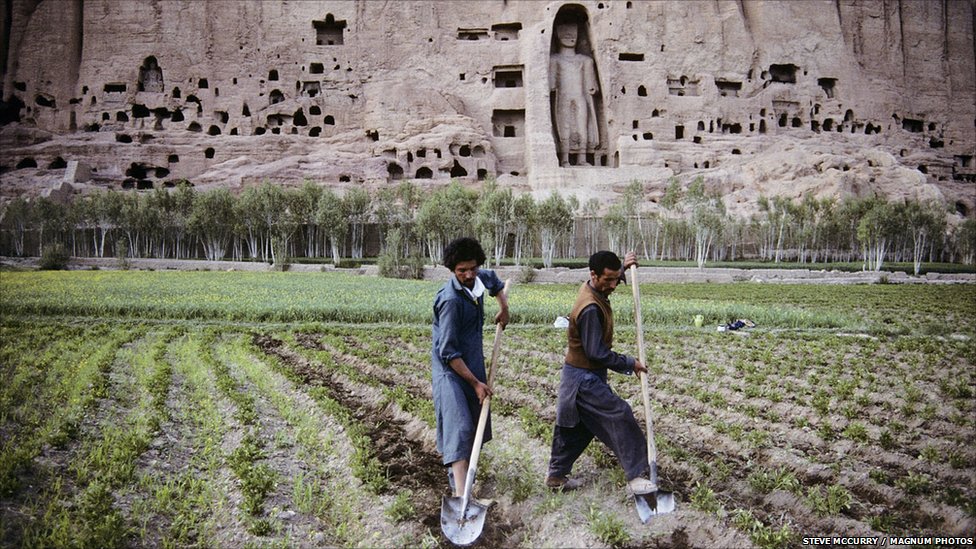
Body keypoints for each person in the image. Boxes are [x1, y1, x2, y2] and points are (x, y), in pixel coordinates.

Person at [545, 250, 658, 495]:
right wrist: (630, 363)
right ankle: (637, 476)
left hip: (580, 375)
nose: (613, 285)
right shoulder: (590, 309)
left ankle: (556, 475)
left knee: (578, 426)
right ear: (593, 275)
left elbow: (610, 273)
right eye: (607, 280)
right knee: (619, 414)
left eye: (615, 279)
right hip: (583, 379)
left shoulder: (595, 287)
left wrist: (624, 269)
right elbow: (596, 352)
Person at [432, 237, 509, 496]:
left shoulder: (478, 278)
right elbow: (448, 352)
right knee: (460, 426)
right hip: (450, 369)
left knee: (476, 422)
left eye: (472, 268)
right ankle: (461, 493)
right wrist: (475, 383)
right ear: (453, 270)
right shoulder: (451, 301)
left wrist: (504, 307)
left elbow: (495, 282)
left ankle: (460, 474)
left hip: (471, 360)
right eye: (461, 270)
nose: (468, 274)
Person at [549, 21, 600, 167]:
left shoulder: (586, 60)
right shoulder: (554, 60)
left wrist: (592, 88)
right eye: (566, 35)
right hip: (563, 97)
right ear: (558, 37)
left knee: (582, 125)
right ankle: (564, 158)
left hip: (580, 97)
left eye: (573, 35)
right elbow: (551, 83)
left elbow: (591, 85)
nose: (570, 38)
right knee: (564, 125)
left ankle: (582, 158)